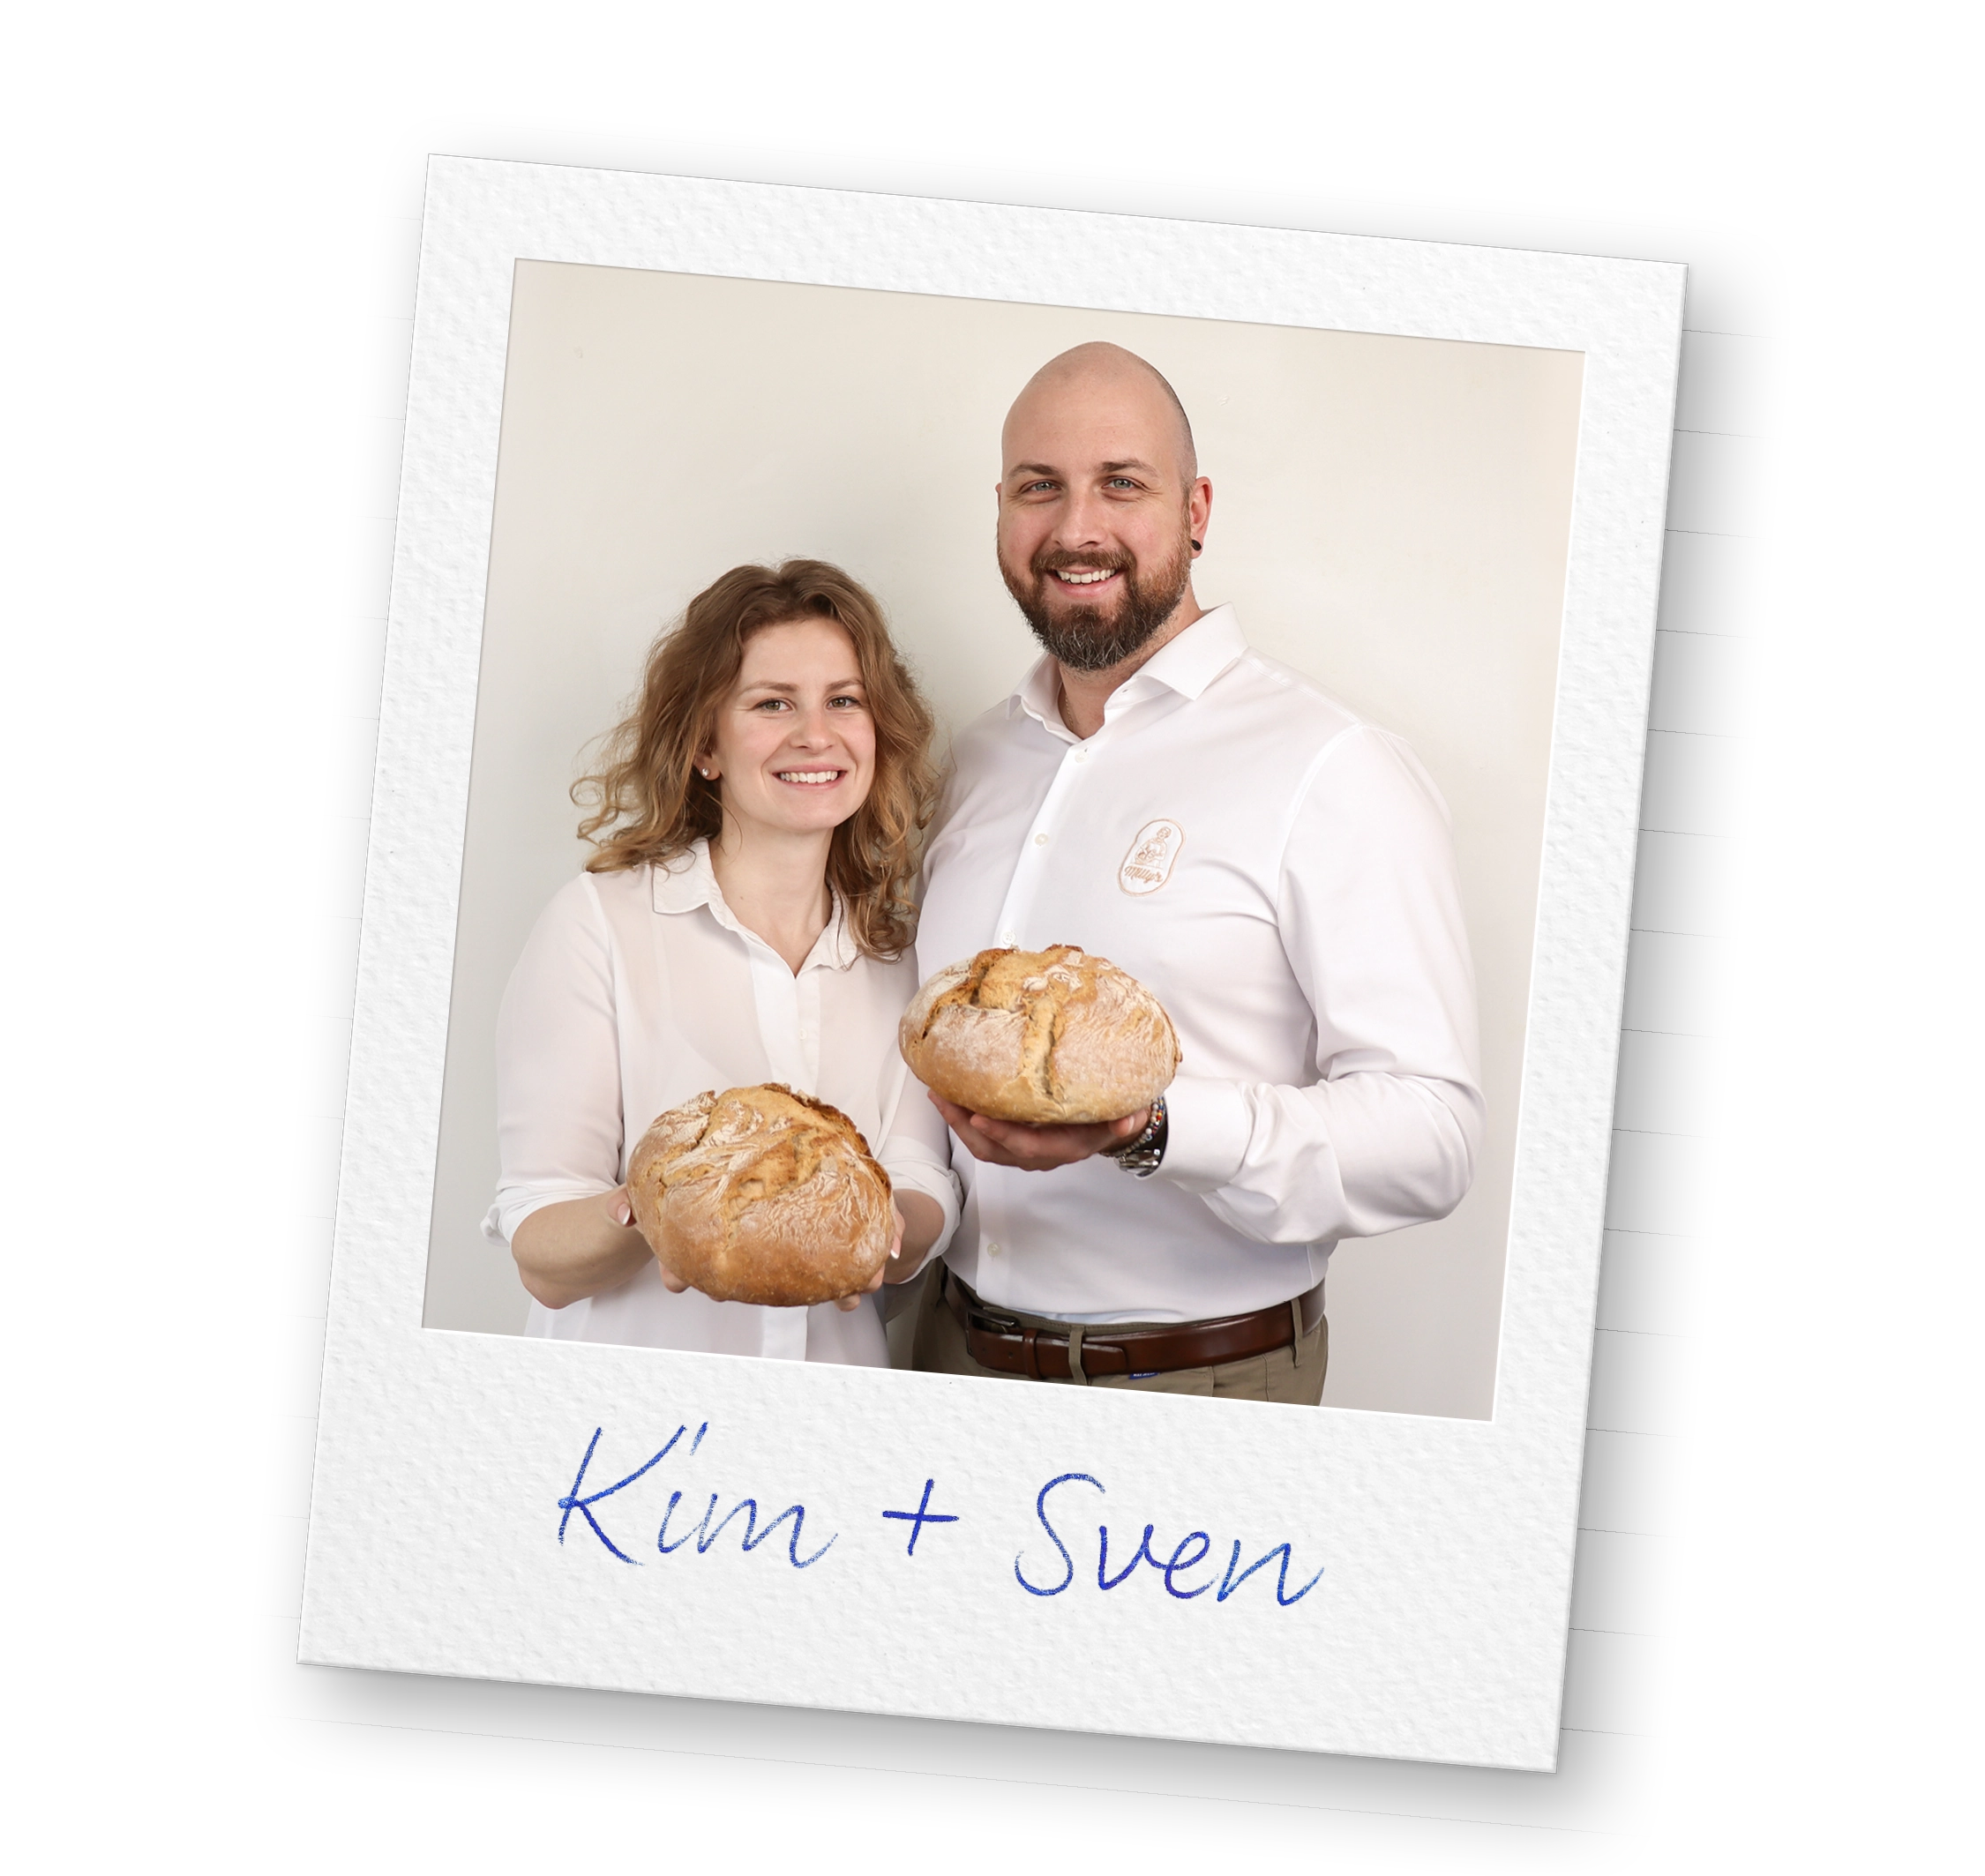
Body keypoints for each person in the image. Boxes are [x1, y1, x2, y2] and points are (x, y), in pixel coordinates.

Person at [910, 343, 1485, 1403]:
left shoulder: (1331, 766)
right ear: (1000, 511)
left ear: (1196, 510)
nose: (1077, 527)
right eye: (1040, 487)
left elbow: (1431, 1137)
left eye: (1122, 483)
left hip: (1201, 1384)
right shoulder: (975, 762)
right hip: (948, 1356)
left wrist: (1155, 1128)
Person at [483, 560, 960, 1364]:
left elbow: (920, 1179)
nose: (816, 735)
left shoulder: (897, 954)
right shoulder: (600, 924)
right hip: (633, 1414)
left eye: (845, 701)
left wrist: (881, 1228)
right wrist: (662, 1212)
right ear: (706, 744)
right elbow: (541, 1247)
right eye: (773, 703)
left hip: (830, 1409)